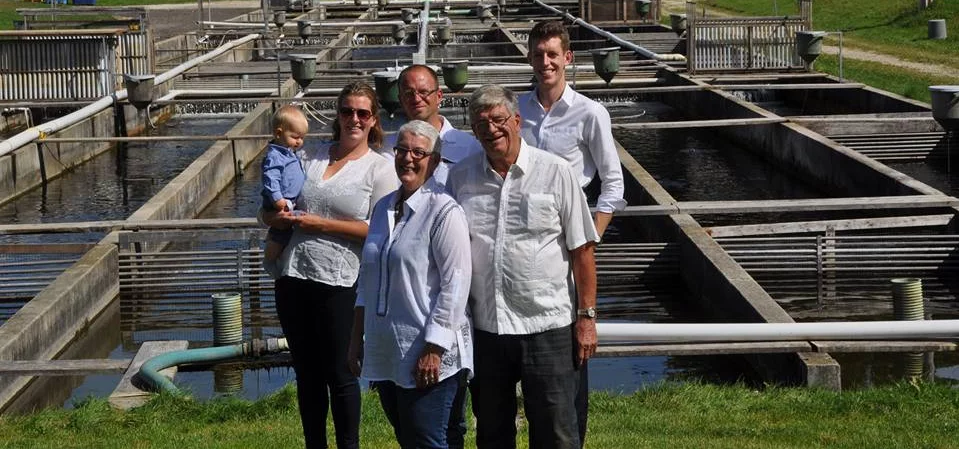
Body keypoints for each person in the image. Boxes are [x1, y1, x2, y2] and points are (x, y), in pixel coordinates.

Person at [447, 84, 600, 449]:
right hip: (486, 328)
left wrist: (587, 318)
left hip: (547, 325)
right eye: (481, 123)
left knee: (557, 433)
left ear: (516, 121)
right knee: (493, 433)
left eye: (499, 120)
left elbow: (582, 250)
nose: (491, 129)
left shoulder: (557, 172)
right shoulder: (461, 178)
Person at [264, 81, 397, 449]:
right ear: (337, 115)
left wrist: (318, 224)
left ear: (373, 120)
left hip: (342, 283)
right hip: (293, 276)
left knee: (341, 372)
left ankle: (348, 445)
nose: (354, 119)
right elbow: (274, 203)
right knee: (306, 373)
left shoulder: (380, 168)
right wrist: (271, 217)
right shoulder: (311, 156)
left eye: (362, 113)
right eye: (347, 111)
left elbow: (381, 232)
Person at [518, 20, 627, 445]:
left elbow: (613, 183)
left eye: (552, 54)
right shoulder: (517, 110)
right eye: (538, 54)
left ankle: (571, 430)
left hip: (569, 229)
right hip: (525, 233)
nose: (545, 62)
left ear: (568, 58)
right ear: (529, 58)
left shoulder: (589, 112)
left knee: (571, 331)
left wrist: (590, 235)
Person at [348, 120, 473, 449]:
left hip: (426, 352)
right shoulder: (382, 209)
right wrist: (356, 339)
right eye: (402, 150)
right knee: (411, 438)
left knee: (427, 440)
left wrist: (434, 348)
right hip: (388, 350)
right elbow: (368, 280)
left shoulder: (444, 212)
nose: (408, 158)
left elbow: (455, 286)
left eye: (419, 152)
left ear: (434, 161)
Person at [380, 64, 481, 186]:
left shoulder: (470, 147)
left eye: (423, 92)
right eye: (408, 93)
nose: (416, 99)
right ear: (400, 99)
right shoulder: (386, 149)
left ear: (439, 96)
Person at [261, 105, 308, 266]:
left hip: (290, 201)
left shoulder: (288, 153)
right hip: (281, 201)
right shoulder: (275, 156)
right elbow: (270, 179)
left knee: (285, 232)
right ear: (279, 133)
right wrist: (277, 199)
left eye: (302, 137)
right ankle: (270, 261)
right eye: (295, 137)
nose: (299, 141)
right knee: (279, 233)